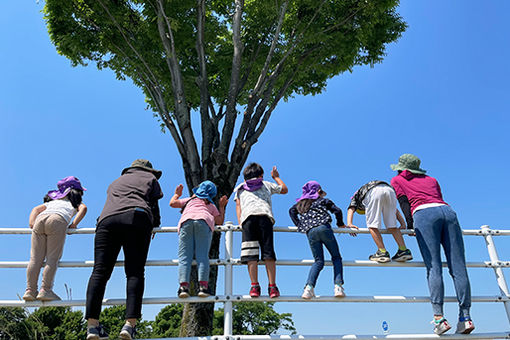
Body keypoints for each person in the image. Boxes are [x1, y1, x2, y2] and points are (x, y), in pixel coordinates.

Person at [390, 154, 474, 335]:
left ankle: (439, 319)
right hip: (448, 212)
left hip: (423, 214)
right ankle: (465, 317)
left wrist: (410, 225)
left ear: (401, 169)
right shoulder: (432, 179)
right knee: (459, 267)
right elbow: (438, 198)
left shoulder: (397, 180)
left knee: (433, 267)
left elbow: (404, 203)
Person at [85, 159, 163, 340]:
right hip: (137, 216)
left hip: (106, 221)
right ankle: (129, 325)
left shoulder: (116, 182)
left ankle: (92, 326)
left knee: (99, 271)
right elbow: (154, 206)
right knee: (135, 272)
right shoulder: (151, 179)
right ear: (148, 170)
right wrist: (154, 224)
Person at [23, 176, 87, 302]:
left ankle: (30, 290)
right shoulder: (74, 203)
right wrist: (74, 224)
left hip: (40, 220)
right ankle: (45, 290)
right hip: (58, 220)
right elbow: (83, 209)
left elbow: (35, 209)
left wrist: (31, 223)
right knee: (52, 258)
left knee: (35, 259)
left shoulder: (51, 202)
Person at [289, 181, 354, 299]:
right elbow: (338, 211)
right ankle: (338, 286)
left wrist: (300, 225)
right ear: (318, 191)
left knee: (318, 261)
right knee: (336, 257)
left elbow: (291, 211)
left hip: (310, 232)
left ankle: (308, 288)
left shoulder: (301, 204)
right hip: (324, 228)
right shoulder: (323, 201)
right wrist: (340, 224)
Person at [234, 163, 288, 298]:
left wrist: (241, 222)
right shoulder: (266, 184)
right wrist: (276, 177)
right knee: (268, 253)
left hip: (248, 220)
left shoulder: (240, 188)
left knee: (251, 255)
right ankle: (272, 287)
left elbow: (238, 206)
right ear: (261, 175)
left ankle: (254, 286)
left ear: (245, 177)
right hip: (265, 217)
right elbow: (284, 189)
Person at [170, 180, 228, 298]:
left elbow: (172, 203)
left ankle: (183, 288)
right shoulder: (210, 206)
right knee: (202, 257)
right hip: (203, 222)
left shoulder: (189, 200)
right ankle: (203, 287)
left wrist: (177, 194)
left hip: (186, 222)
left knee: (184, 257)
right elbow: (219, 221)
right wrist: (222, 206)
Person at [346, 180, 413, 263]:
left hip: (373, 192)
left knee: (372, 225)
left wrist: (349, 223)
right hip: (390, 190)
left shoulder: (356, 196)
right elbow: (395, 210)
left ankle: (382, 252)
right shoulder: (362, 192)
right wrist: (403, 223)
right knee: (392, 226)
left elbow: (351, 208)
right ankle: (403, 250)